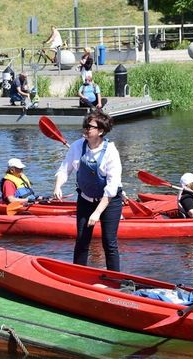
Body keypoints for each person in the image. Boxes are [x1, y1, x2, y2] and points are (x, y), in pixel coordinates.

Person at [53, 110, 123, 271]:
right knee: (82, 240)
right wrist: (58, 186)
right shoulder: (78, 146)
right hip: (85, 199)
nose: (85, 129)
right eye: (85, 125)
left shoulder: (111, 152)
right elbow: (64, 169)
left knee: (109, 242)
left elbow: (112, 188)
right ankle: (78, 276)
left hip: (109, 201)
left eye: (90, 127)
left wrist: (97, 213)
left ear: (100, 131)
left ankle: (116, 280)